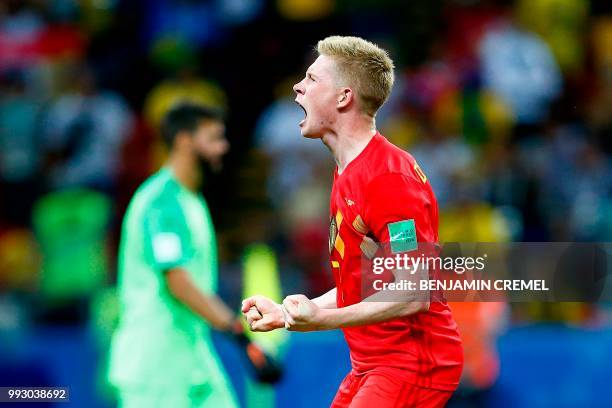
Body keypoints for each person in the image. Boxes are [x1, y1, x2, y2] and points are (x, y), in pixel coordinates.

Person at [242, 36, 464, 407]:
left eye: (312, 79)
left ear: (344, 97)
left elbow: (413, 291)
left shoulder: (388, 179)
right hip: (372, 364)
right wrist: (287, 313)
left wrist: (322, 321)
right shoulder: (350, 171)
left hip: (413, 364)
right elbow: (365, 285)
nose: (298, 86)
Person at [108, 103, 277, 408]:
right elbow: (178, 282)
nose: (223, 147)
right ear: (185, 140)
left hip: (193, 359)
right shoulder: (162, 202)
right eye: (214, 138)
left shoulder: (191, 200)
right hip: (156, 367)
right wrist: (239, 333)